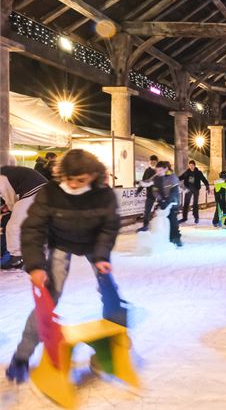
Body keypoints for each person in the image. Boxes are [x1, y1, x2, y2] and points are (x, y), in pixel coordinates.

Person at [5, 149, 120, 384]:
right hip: (61, 243)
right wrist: (36, 265)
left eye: (81, 180)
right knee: (48, 297)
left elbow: (108, 226)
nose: (74, 185)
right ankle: (21, 357)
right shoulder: (50, 193)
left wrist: (101, 256)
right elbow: (33, 229)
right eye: (69, 179)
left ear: (93, 175)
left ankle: (109, 350)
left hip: (93, 244)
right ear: (61, 175)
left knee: (110, 292)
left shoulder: (103, 194)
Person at [0, 166, 48, 269]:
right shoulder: (6, 171)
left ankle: (17, 257)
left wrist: (10, 208)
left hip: (36, 191)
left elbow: (9, 195)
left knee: (13, 226)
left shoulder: (1, 176)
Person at [152, 161, 182, 247]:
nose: (158, 172)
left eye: (160, 170)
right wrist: (161, 200)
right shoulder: (156, 178)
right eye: (157, 170)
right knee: (161, 219)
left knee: (172, 219)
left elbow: (174, 192)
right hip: (163, 202)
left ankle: (176, 238)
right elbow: (155, 191)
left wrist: (168, 201)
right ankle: (165, 237)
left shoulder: (172, 177)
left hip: (173, 202)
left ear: (166, 169)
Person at [136, 155, 158, 232]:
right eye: (151, 161)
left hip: (159, 194)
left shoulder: (159, 170)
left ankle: (162, 226)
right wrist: (138, 190)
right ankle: (145, 226)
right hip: (150, 194)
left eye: (154, 162)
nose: (153, 163)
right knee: (147, 210)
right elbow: (144, 182)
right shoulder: (147, 171)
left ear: (156, 162)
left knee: (161, 210)